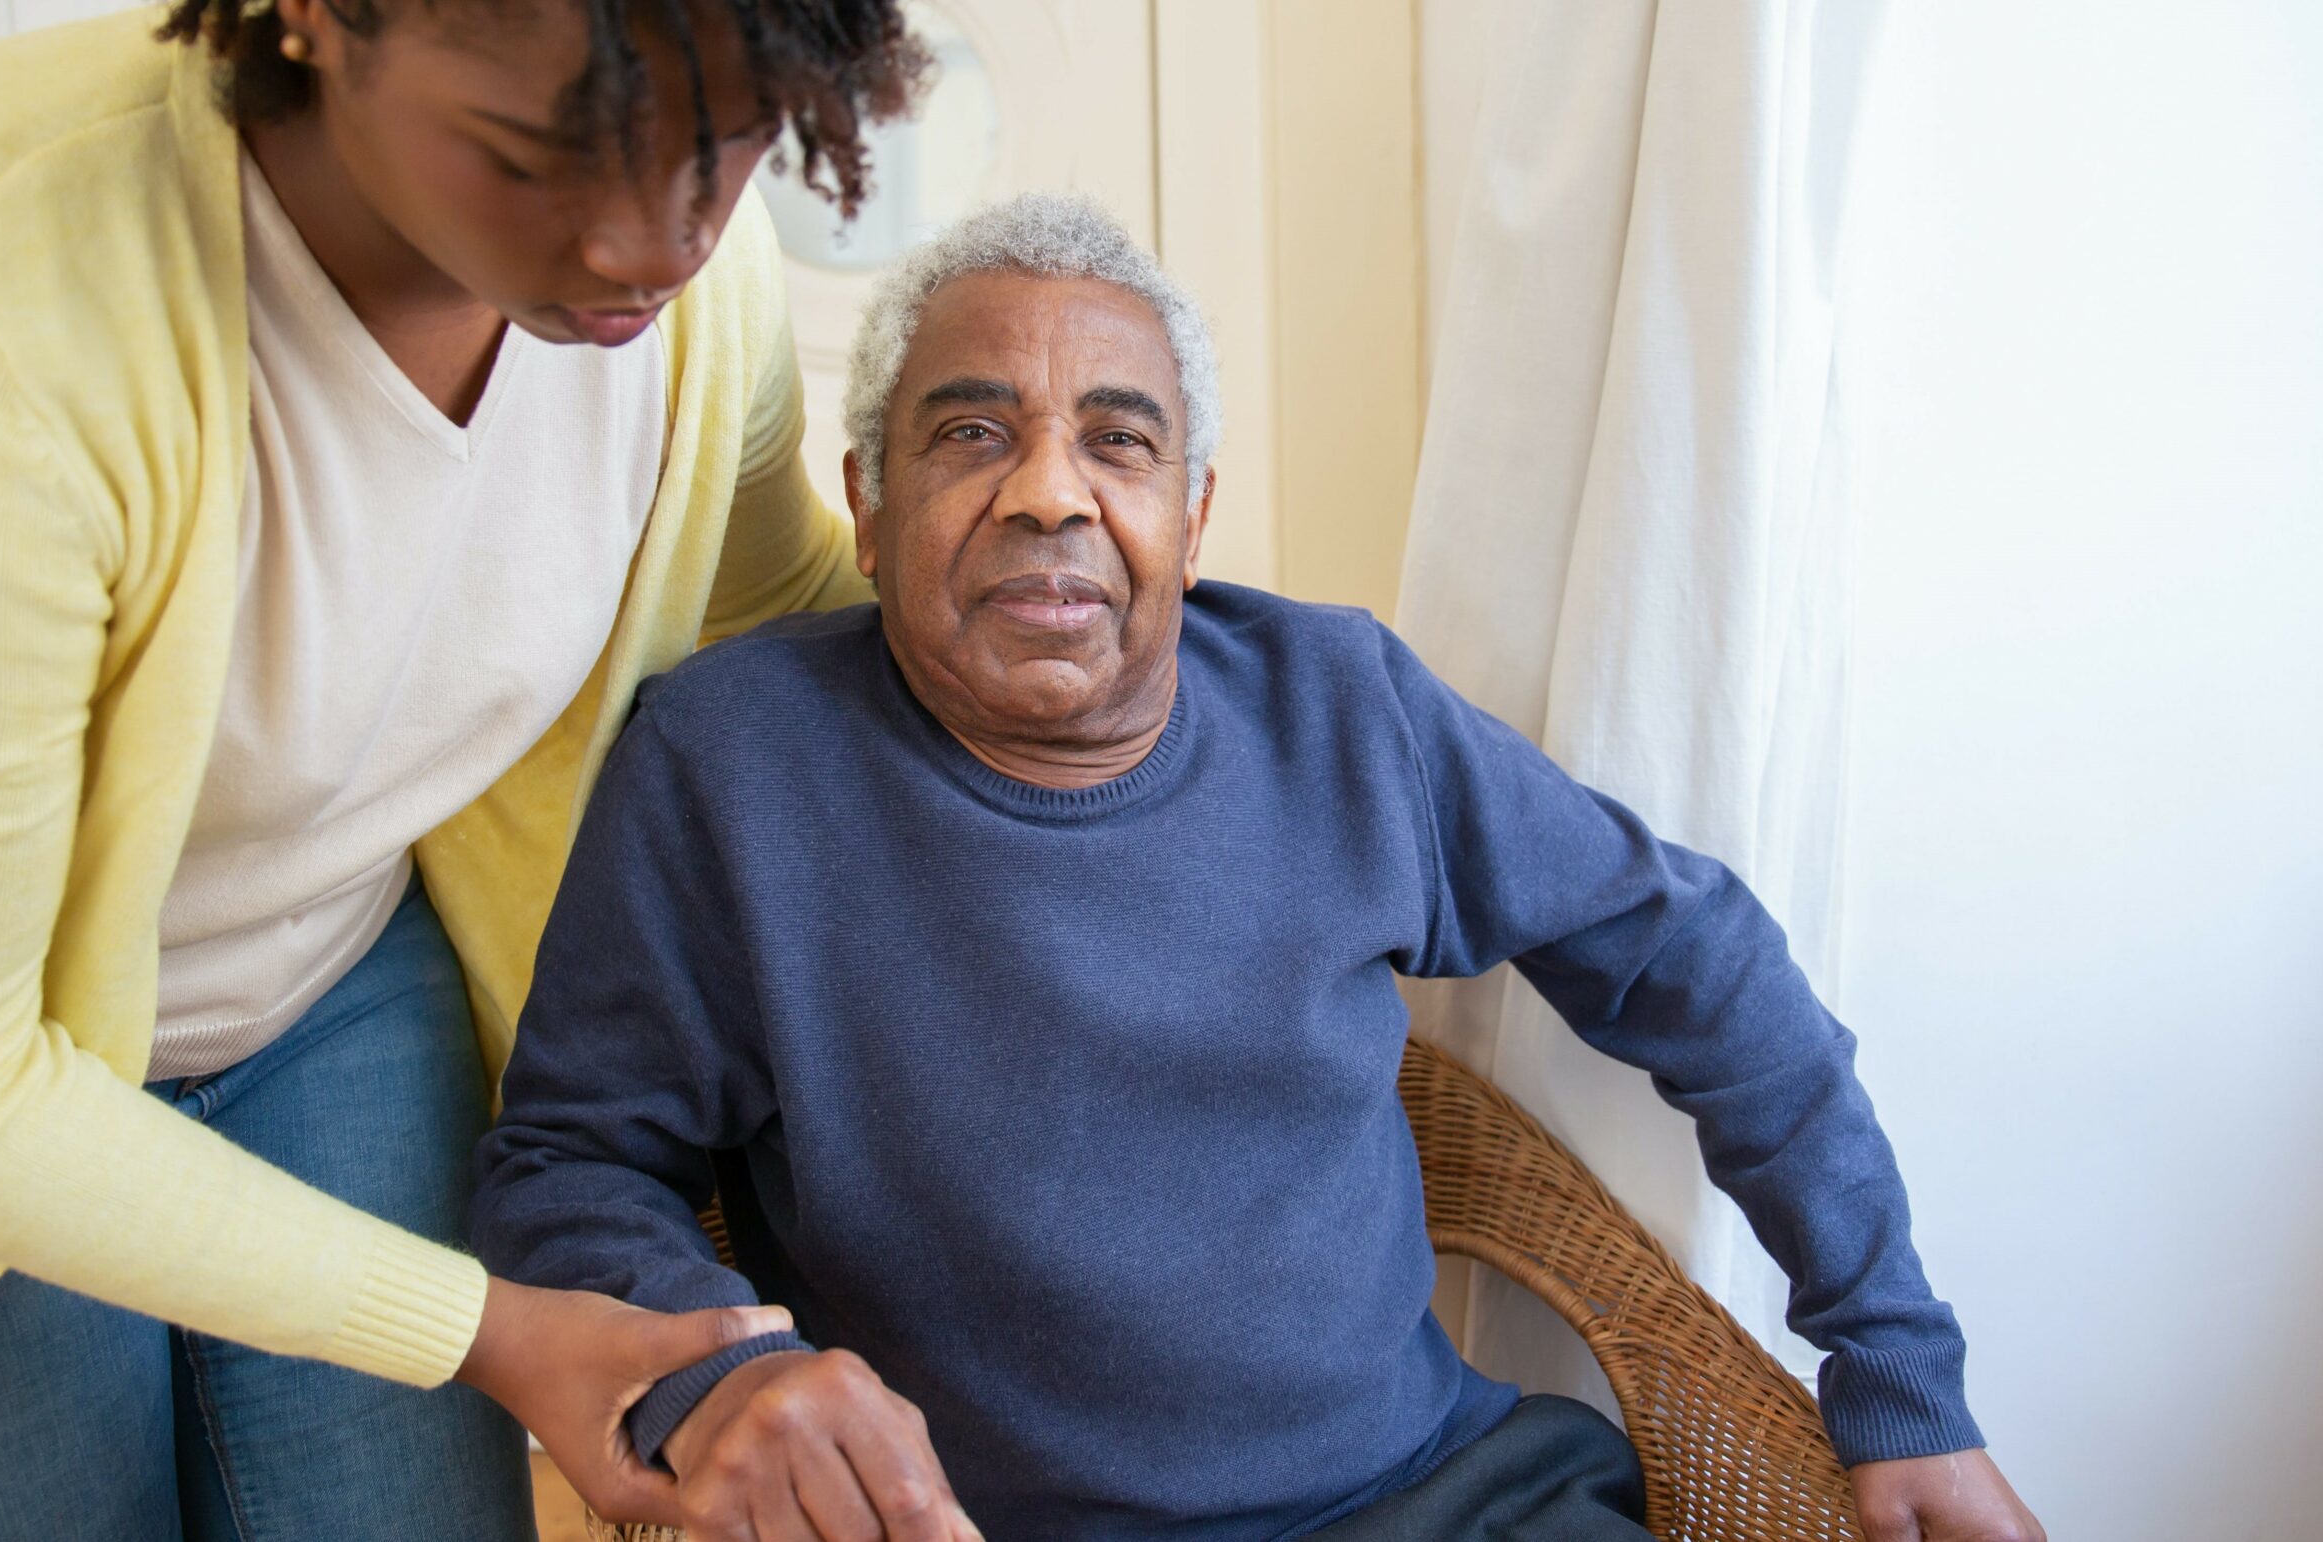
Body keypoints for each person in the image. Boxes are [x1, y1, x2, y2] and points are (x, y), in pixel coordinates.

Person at [470, 194, 2052, 1541]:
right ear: (869, 511)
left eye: (1119, 438)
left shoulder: (1341, 707)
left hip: (1436, 1497)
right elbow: (563, 1164)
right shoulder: (731, 763)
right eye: (970, 434)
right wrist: (718, 1375)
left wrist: (1895, 1370)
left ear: (1192, 511)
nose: (1047, 490)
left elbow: (1696, 961)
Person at [0, 2, 930, 1536]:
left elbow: (778, 602)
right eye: (536, 158)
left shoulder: (701, 315)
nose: (650, 246)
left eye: (719, 156)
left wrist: (1183, 706)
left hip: (334, 971)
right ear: (313, 16)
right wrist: (483, 1327)